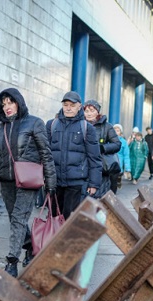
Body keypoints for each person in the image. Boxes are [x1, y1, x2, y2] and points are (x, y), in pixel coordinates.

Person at [0, 88, 56, 277]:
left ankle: (12, 261)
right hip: (7, 182)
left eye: (10, 102)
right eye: (3, 104)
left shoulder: (35, 123)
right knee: (15, 220)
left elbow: (46, 153)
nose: (7, 107)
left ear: (18, 102)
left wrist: (51, 182)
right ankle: (30, 246)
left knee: (19, 220)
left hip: (28, 181)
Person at [46, 91, 101, 220]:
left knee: (69, 219)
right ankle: (53, 240)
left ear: (79, 106)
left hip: (76, 183)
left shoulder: (87, 128)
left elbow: (94, 157)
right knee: (53, 217)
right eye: (66, 105)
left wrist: (94, 184)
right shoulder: (51, 125)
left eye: (72, 105)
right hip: (55, 181)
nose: (69, 108)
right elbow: (45, 153)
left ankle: (66, 240)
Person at [84, 99, 120, 197]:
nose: (89, 114)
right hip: (83, 166)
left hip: (100, 167)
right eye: (86, 111)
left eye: (92, 110)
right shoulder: (81, 125)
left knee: (99, 198)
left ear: (98, 111)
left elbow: (117, 144)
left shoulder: (106, 126)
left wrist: (102, 148)